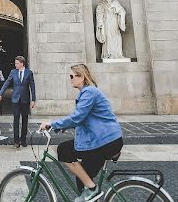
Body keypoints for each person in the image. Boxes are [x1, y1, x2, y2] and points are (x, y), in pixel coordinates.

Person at [40, 64, 123, 202]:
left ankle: (92, 190)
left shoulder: (89, 92)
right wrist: (61, 127)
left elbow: (77, 117)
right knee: (82, 179)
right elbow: (84, 119)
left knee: (64, 150)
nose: (70, 79)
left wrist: (52, 124)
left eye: (72, 76)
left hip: (105, 141)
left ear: (82, 77)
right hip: (103, 140)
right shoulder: (88, 92)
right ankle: (91, 191)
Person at [0, 55, 36, 148]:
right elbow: (7, 83)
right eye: (15, 63)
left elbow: (32, 87)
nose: (15, 65)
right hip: (15, 99)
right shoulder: (13, 72)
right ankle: (16, 141)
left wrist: (33, 100)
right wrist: (0, 94)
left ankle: (23, 140)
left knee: (25, 120)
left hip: (25, 100)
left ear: (22, 63)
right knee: (16, 120)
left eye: (17, 63)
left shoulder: (29, 73)